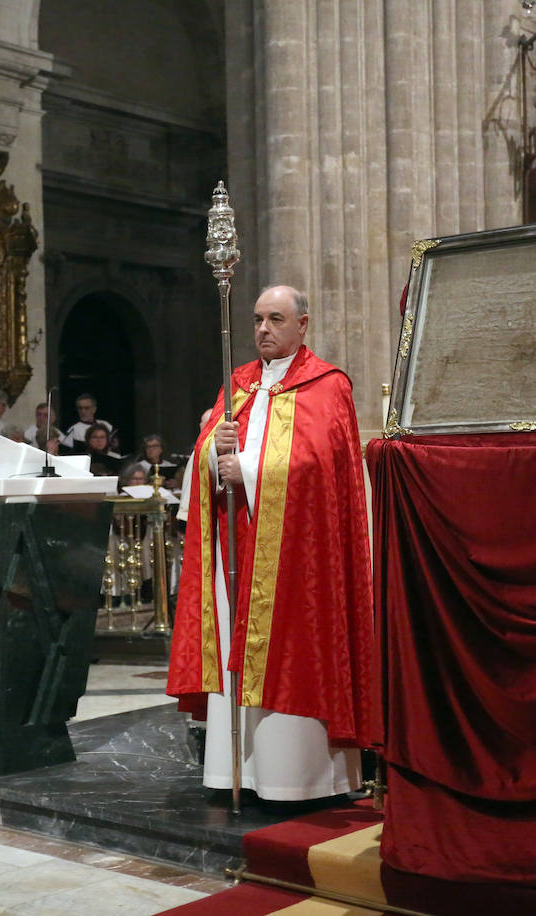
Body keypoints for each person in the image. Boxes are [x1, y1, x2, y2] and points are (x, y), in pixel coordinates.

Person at [166, 285, 373, 801]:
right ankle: (235, 772)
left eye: (275, 319)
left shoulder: (328, 387)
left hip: (296, 563)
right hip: (236, 549)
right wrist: (215, 455)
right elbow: (203, 455)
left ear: (302, 325)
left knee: (293, 655)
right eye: (257, 319)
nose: (262, 329)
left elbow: (324, 469)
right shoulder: (235, 384)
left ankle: (296, 780)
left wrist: (252, 471)